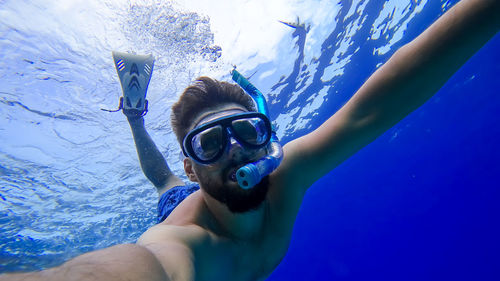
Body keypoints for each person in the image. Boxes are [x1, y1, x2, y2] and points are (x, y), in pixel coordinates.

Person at [2, 0, 499, 280]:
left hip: (198, 188)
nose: (235, 149)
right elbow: (143, 265)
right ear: (195, 166)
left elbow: (370, 110)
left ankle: (138, 117)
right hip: (185, 203)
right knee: (164, 183)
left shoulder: (289, 172)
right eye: (210, 143)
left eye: (246, 131)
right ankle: (136, 117)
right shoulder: (182, 244)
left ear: (270, 143)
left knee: (162, 178)